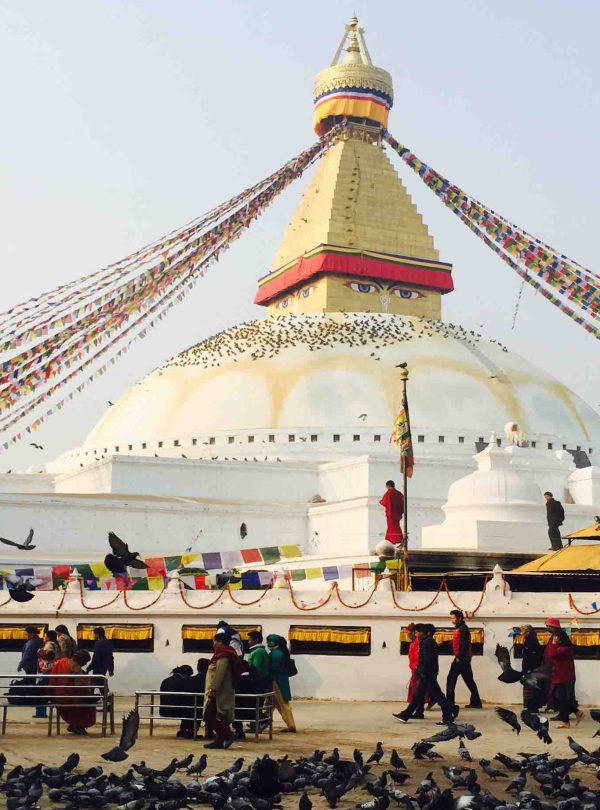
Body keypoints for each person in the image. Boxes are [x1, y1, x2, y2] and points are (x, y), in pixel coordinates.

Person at [393, 624, 455, 724]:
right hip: (427, 673)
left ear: (426, 633)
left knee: (438, 696)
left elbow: (426, 660)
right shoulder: (427, 642)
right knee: (417, 695)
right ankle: (405, 715)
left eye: (418, 632)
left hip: (427, 674)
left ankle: (449, 715)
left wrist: (421, 671)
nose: (416, 634)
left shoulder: (427, 643)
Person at [203, 631, 243, 749]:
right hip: (223, 690)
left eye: (215, 641)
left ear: (221, 642)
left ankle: (228, 735)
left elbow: (220, 674)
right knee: (219, 717)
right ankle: (220, 740)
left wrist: (213, 689)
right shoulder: (227, 653)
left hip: (220, 691)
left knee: (209, 715)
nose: (214, 644)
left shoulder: (224, 656)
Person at [544, 618, 583, 728]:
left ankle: (569, 719)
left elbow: (552, 654)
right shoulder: (560, 647)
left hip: (566, 677)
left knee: (565, 699)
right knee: (559, 698)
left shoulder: (564, 649)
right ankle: (574, 714)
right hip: (559, 676)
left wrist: (554, 643)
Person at [51, 649, 96, 735]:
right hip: (68, 698)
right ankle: (78, 725)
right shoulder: (76, 668)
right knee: (88, 704)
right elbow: (80, 687)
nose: (85, 664)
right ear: (80, 659)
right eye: (85, 661)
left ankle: (74, 725)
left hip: (55, 697)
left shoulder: (61, 661)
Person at [446, 610, 482, 711]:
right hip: (464, 658)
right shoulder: (461, 628)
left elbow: (464, 645)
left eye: (453, 618)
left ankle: (450, 703)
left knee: (451, 679)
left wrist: (459, 657)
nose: (451, 620)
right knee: (469, 680)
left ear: (459, 618)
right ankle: (476, 701)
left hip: (461, 659)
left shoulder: (462, 629)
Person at [267, 634, 296, 733]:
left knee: (282, 703)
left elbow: (273, 668)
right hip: (281, 680)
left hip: (277, 681)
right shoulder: (281, 652)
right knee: (273, 703)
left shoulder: (275, 654)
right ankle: (262, 722)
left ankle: (291, 725)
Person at [159, 665, 195, 736]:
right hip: (177, 710)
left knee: (187, 707)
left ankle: (183, 730)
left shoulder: (166, 681)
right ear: (186, 674)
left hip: (164, 710)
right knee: (192, 708)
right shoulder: (185, 681)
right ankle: (189, 731)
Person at [518, 624, 544, 710]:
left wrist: (529, 669)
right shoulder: (528, 640)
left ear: (528, 632)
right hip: (528, 668)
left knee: (532, 688)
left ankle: (533, 706)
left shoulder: (532, 641)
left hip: (532, 669)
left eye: (524, 632)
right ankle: (530, 706)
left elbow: (534, 656)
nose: (523, 634)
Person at [36, 630, 60, 719]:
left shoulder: (49, 644)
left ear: (48, 637)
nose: (44, 637)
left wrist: (39, 652)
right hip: (52, 670)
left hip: (47, 670)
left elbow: (48, 655)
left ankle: (41, 713)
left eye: (45, 636)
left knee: (41, 691)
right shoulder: (55, 644)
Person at [406, 624, 425, 718]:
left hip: (417, 669)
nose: (407, 634)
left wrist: (416, 668)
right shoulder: (414, 642)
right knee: (419, 691)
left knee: (416, 691)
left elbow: (418, 658)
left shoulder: (418, 643)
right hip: (415, 669)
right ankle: (418, 711)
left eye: (409, 632)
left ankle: (415, 711)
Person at [379, 480, 404, 545]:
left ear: (388, 486)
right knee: (393, 527)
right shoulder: (399, 493)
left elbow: (385, 502)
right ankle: (388, 542)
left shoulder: (388, 493)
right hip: (397, 514)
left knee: (393, 527)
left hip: (391, 514)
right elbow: (402, 503)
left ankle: (400, 540)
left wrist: (380, 501)